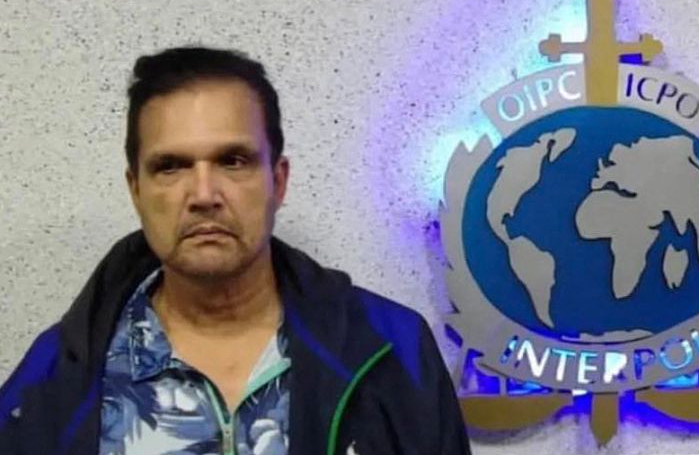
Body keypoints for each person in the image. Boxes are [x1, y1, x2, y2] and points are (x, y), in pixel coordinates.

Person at [0, 46, 472, 455]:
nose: (204, 194)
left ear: (277, 181)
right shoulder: (53, 380)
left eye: (233, 161)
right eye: (170, 166)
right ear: (136, 190)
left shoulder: (393, 351)